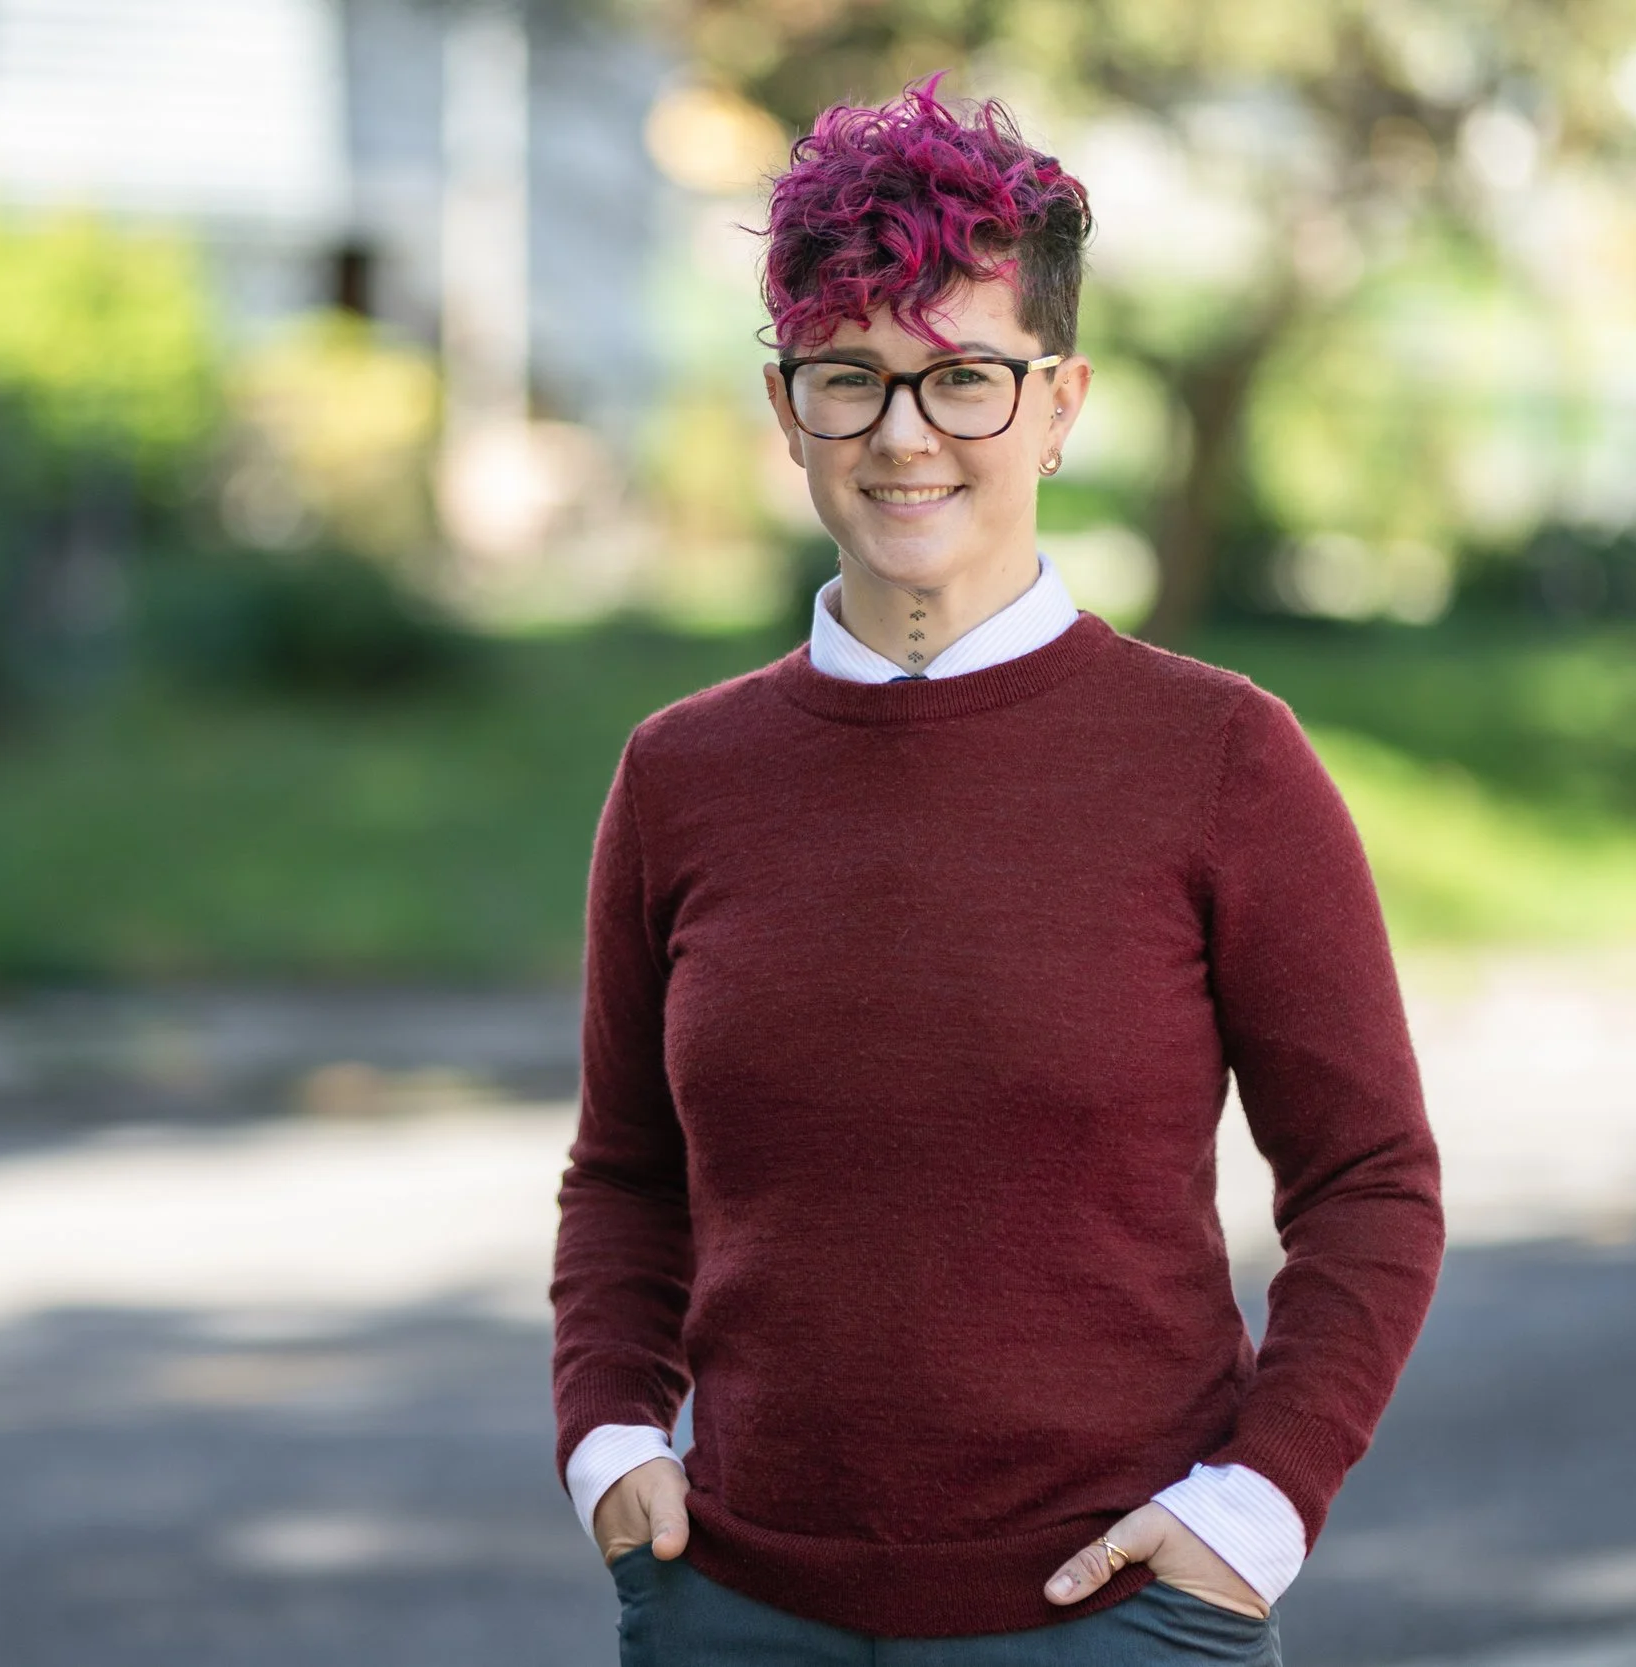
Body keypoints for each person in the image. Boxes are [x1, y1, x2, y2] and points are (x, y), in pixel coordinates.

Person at [550, 72, 1444, 1665]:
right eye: (852, 378)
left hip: (1113, 1617)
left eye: (964, 377)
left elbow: (1370, 1182)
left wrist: (1257, 1508)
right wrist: (611, 1444)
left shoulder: (1222, 759)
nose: (905, 436)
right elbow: (625, 1179)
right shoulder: (679, 775)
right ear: (787, 407)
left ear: (1059, 400)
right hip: (737, 1614)